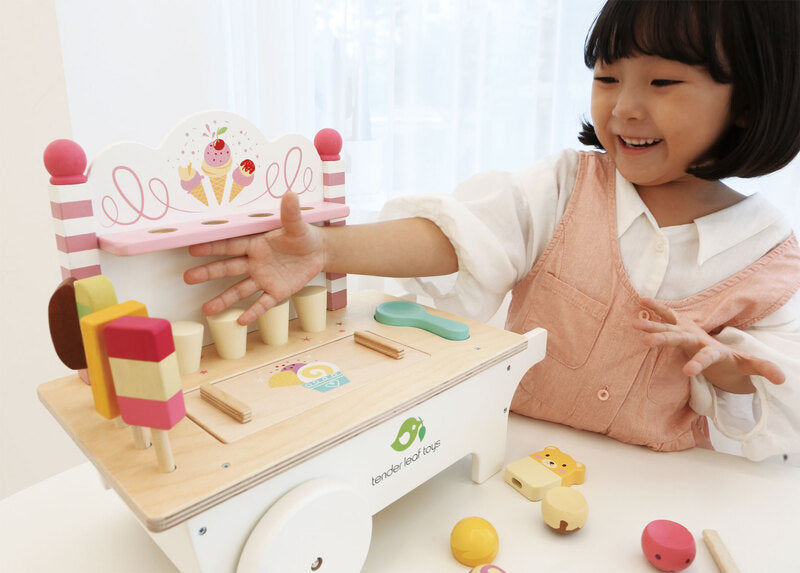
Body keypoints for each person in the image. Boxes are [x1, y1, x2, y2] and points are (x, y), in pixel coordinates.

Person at [184, 0, 800, 461]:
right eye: (607, 78)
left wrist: (726, 372)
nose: (624, 107)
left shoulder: (770, 257)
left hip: (660, 482)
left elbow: (773, 409)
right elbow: (458, 237)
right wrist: (327, 248)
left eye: (663, 82)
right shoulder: (567, 185)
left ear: (745, 99)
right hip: (510, 444)